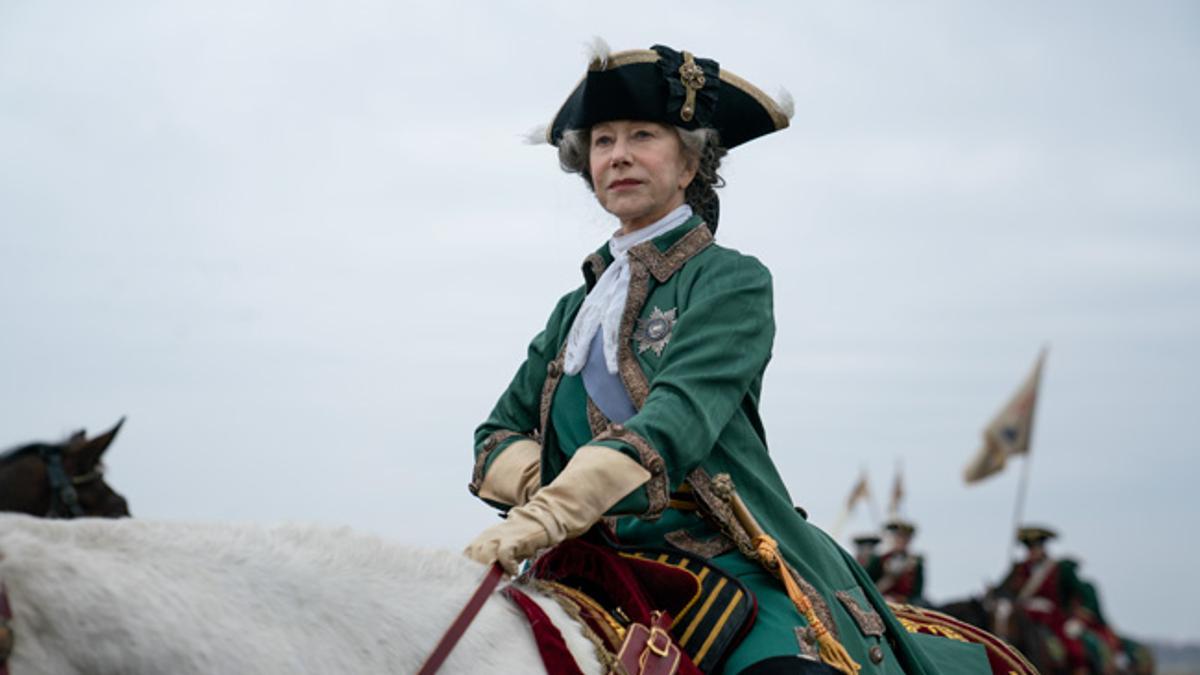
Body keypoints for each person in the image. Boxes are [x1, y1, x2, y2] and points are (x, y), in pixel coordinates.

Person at [464, 41, 991, 675]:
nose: (619, 155)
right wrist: (552, 494)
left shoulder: (730, 281)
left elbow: (675, 419)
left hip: (721, 556)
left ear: (690, 163)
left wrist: (551, 512)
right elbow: (496, 435)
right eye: (603, 141)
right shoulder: (572, 309)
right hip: (584, 559)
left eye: (642, 136)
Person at [996, 526, 1089, 673]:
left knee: (1072, 648)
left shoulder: (1058, 568)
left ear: (1043, 548)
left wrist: (1076, 617)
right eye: (1029, 548)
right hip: (1023, 615)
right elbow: (1001, 591)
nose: (1032, 552)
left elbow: (1077, 594)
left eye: (1036, 547)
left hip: (1051, 617)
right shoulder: (1019, 569)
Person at [874, 519, 926, 606]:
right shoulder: (879, 560)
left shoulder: (916, 563)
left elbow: (917, 592)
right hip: (882, 600)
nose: (902, 541)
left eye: (906, 538)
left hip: (906, 604)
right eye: (899, 537)